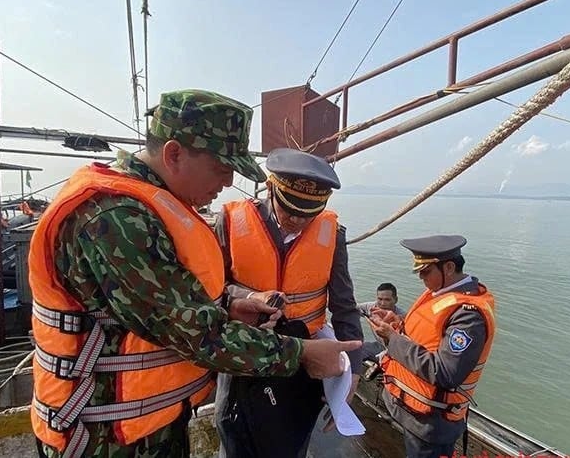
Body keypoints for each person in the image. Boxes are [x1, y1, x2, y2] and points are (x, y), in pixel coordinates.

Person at [28, 90, 360, 458]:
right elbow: (197, 333)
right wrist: (301, 354)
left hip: (145, 426)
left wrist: (229, 307)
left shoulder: (151, 210)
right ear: (174, 154)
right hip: (103, 439)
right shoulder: (115, 218)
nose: (228, 180)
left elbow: (168, 309)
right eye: (221, 168)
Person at [214, 147, 364, 458]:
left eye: (309, 214)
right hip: (245, 353)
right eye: (291, 210)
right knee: (233, 429)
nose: (298, 220)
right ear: (271, 189)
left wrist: (355, 372)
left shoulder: (332, 234)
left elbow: (345, 305)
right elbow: (209, 291)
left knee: (291, 436)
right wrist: (246, 298)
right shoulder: (229, 221)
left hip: (303, 356)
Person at [367, 235, 496, 458]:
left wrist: (392, 338)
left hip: (431, 424)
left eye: (425, 271)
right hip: (412, 411)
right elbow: (426, 336)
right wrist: (395, 324)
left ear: (448, 267)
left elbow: (445, 372)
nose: (420, 276)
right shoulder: (437, 293)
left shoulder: (468, 315)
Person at [357, 283, 406, 361]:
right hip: (379, 346)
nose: (383, 304)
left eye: (387, 300)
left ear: (396, 300)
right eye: (380, 299)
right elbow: (350, 308)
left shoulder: (402, 317)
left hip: (397, 352)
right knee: (354, 350)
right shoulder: (370, 308)